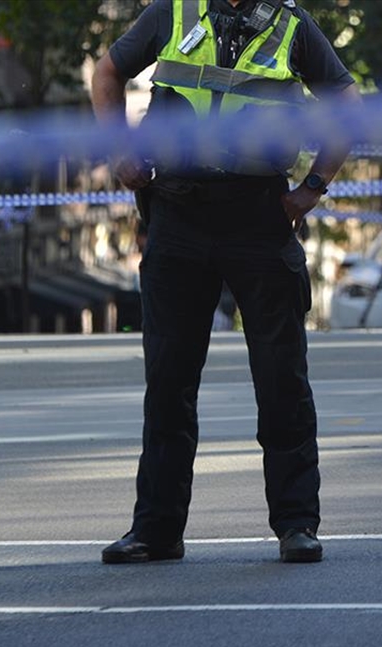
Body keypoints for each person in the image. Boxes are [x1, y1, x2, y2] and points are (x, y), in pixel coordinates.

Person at [91, 0, 361, 564]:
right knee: (168, 380)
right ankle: (157, 530)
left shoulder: (291, 23)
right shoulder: (171, 12)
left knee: (281, 377)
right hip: (178, 214)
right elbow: (108, 73)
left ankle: (295, 524)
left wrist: (312, 187)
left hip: (258, 216)